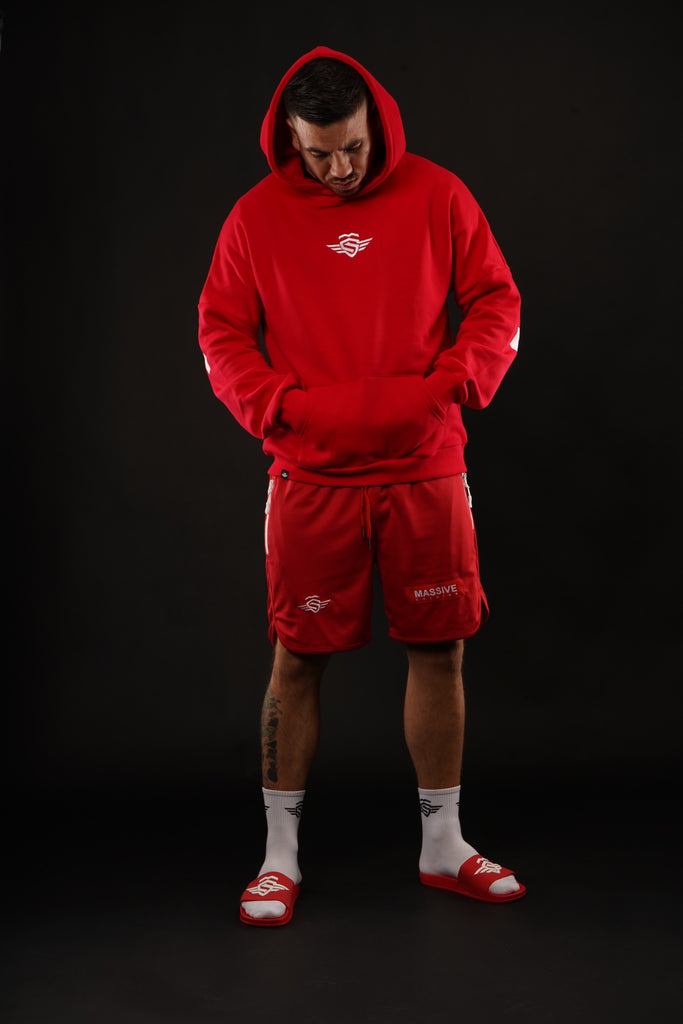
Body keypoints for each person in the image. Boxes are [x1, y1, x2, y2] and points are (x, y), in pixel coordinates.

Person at [198, 45, 525, 927]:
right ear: (289, 138)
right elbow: (219, 331)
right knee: (297, 655)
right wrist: (281, 409)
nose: (340, 168)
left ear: (374, 123)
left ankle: (442, 844)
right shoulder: (255, 217)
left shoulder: (438, 194)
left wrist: (451, 384)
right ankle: (278, 857)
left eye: (352, 147)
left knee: (440, 646)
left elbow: (496, 300)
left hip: (424, 462)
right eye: (319, 153)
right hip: (312, 472)